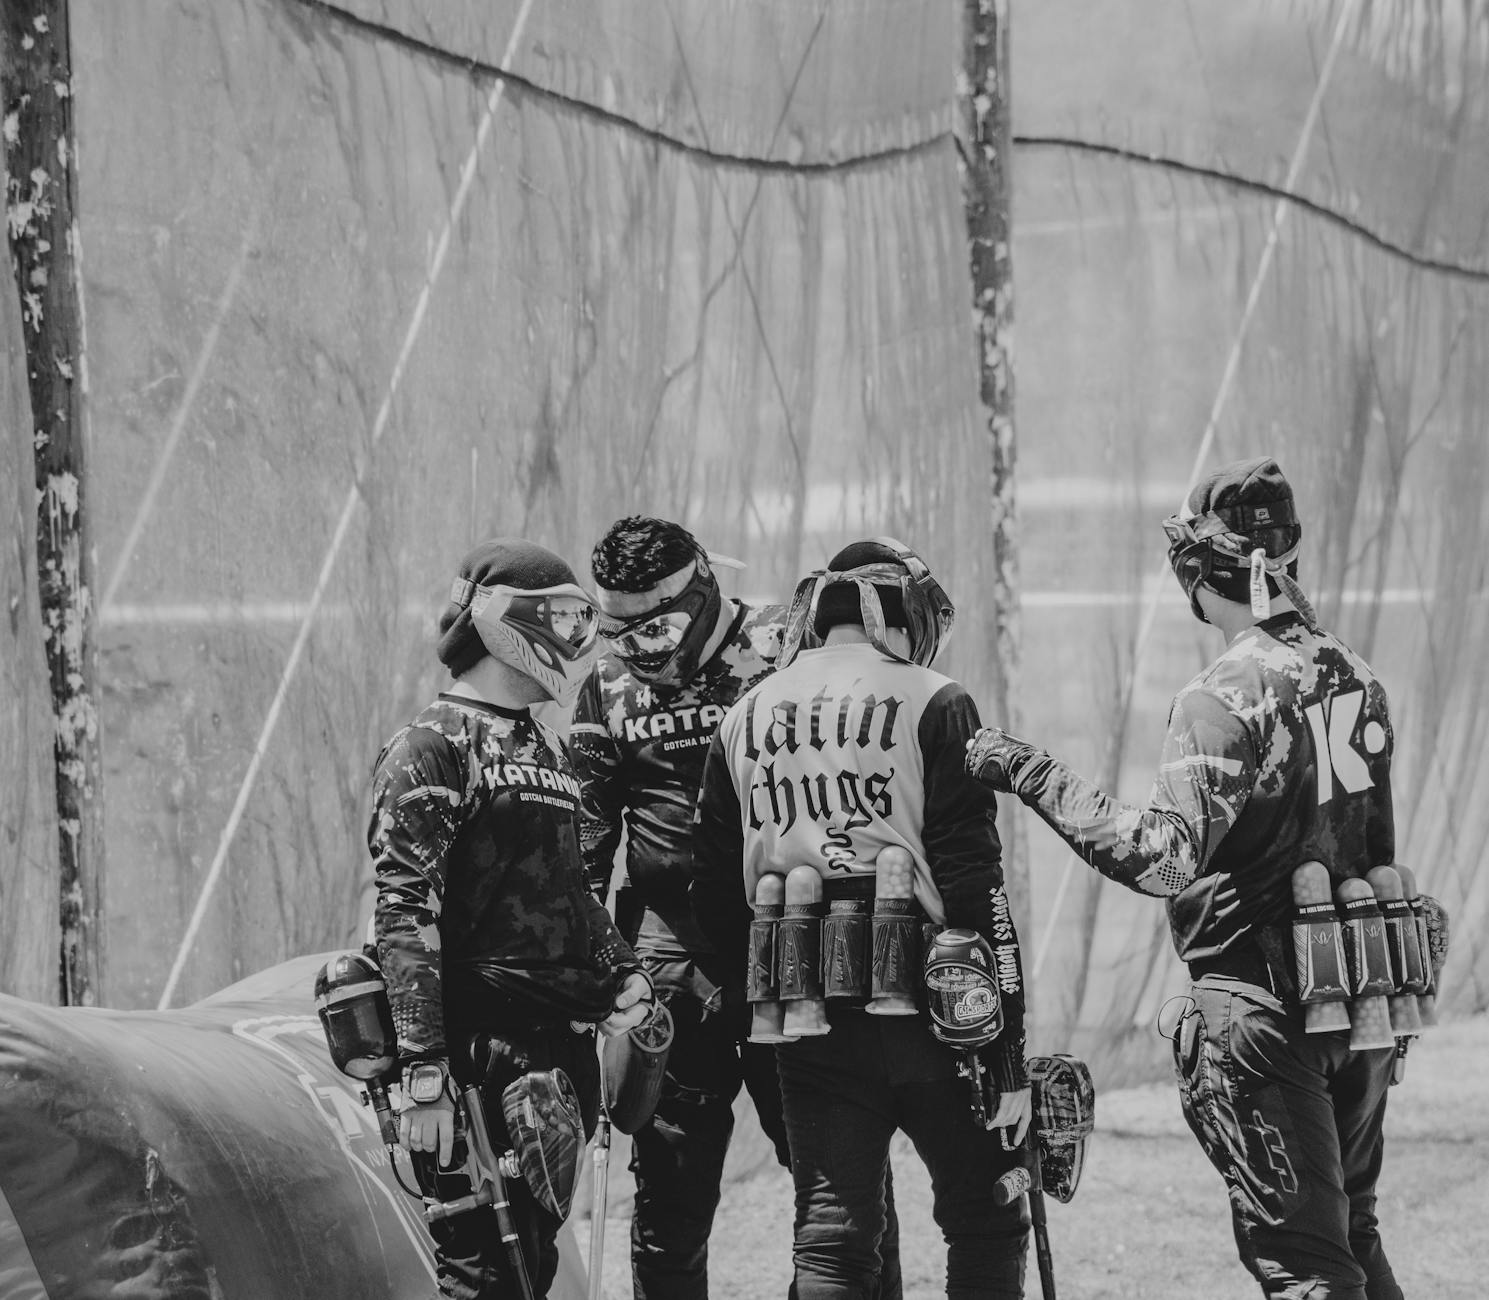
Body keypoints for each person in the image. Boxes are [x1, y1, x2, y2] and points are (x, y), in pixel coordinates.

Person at [965, 457, 1403, 1300]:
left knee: (1305, 1264)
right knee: (1352, 1232)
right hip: (1362, 998)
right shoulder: (1356, 674)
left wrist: (1030, 771)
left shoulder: (1224, 693)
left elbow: (1162, 856)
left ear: (1201, 569)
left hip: (1263, 1006)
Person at [571, 516, 903, 1300]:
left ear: (702, 585)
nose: (634, 650)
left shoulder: (790, 649)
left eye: (652, 628)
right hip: (670, 957)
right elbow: (585, 841)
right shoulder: (608, 686)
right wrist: (592, 976)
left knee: (839, 1181)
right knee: (669, 1197)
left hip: (794, 940)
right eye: (613, 628)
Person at [691, 537, 1032, 1300]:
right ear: (907, 616)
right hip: (937, 1005)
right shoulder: (934, 698)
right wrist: (1005, 1039)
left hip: (801, 1005)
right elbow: (976, 885)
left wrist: (758, 1006)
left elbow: (710, 888)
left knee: (832, 1235)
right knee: (984, 1219)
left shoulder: (744, 713)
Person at [370, 537, 654, 1300]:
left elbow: (569, 889)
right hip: (476, 1059)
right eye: (561, 617)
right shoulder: (431, 747)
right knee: (483, 1270)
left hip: (553, 1054)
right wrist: (423, 1072)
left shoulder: (541, 746)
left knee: (528, 1264)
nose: (575, 638)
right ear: (503, 621)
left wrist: (622, 972)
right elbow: (403, 910)